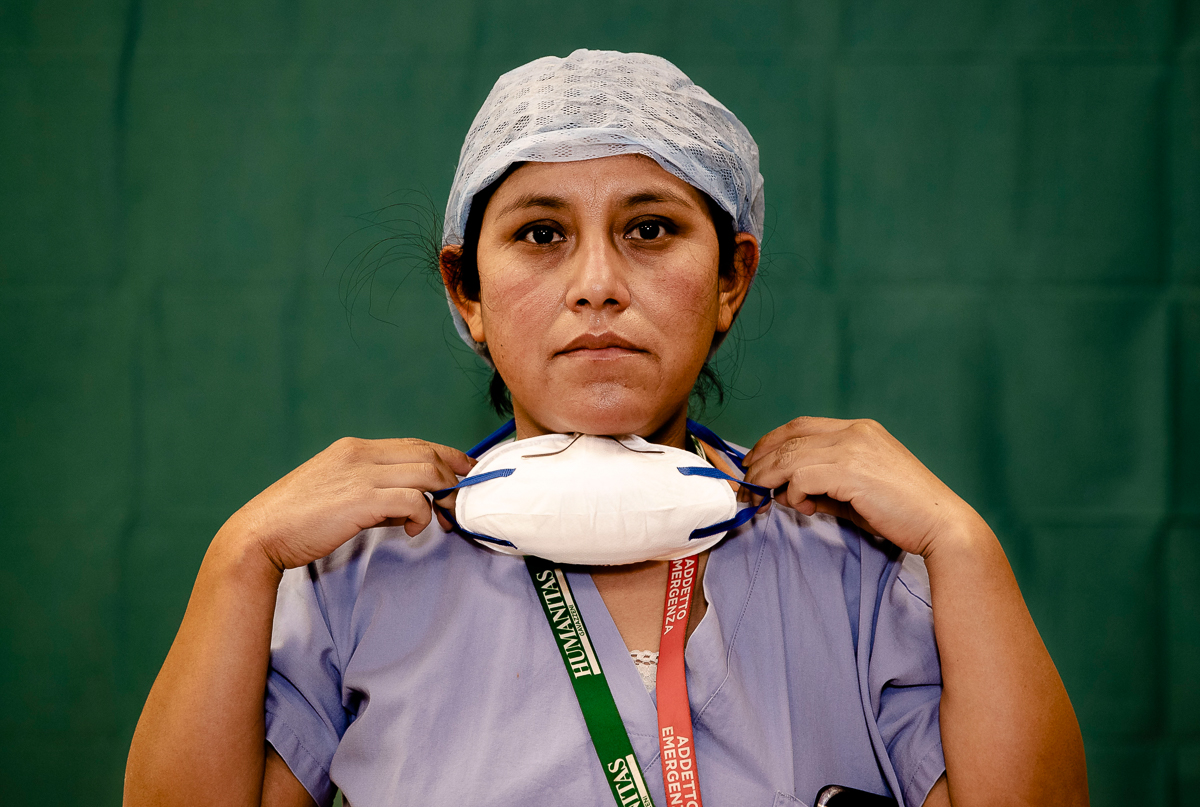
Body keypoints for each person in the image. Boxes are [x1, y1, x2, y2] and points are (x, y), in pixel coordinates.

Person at [123, 50, 1088, 807]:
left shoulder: (856, 560)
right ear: (468, 292)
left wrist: (963, 543)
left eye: (652, 229)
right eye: (541, 234)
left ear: (730, 279)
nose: (597, 285)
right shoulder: (363, 569)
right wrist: (239, 557)